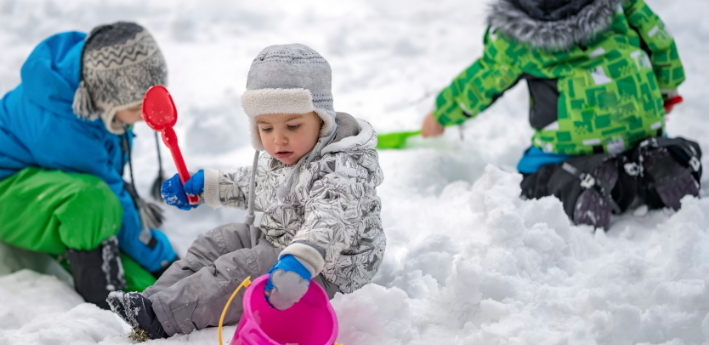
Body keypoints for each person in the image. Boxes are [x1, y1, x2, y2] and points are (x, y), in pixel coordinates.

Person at [107, 44, 385, 339]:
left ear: (322, 119)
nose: (278, 139)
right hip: (281, 238)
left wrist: (299, 264)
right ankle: (153, 300)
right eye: (266, 128)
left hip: (324, 268)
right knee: (215, 242)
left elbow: (329, 222)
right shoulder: (288, 152)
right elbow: (253, 183)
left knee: (240, 271)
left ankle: (161, 317)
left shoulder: (340, 169)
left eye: (292, 125)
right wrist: (207, 186)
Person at [420, 0, 701, 230]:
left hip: (573, 140)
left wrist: (441, 115)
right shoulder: (622, 5)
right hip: (642, 121)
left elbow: (479, 82)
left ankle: (579, 183)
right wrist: (666, 90)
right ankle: (662, 160)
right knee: (639, 149)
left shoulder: (515, 39)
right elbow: (659, 39)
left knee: (532, 177)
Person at [0, 22, 177, 309]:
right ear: (106, 98)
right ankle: (104, 297)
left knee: (148, 279)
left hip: (46, 182)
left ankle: (136, 284)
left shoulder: (95, 87)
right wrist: (164, 260)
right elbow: (108, 194)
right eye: (138, 107)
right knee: (94, 201)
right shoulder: (65, 126)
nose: (146, 115)